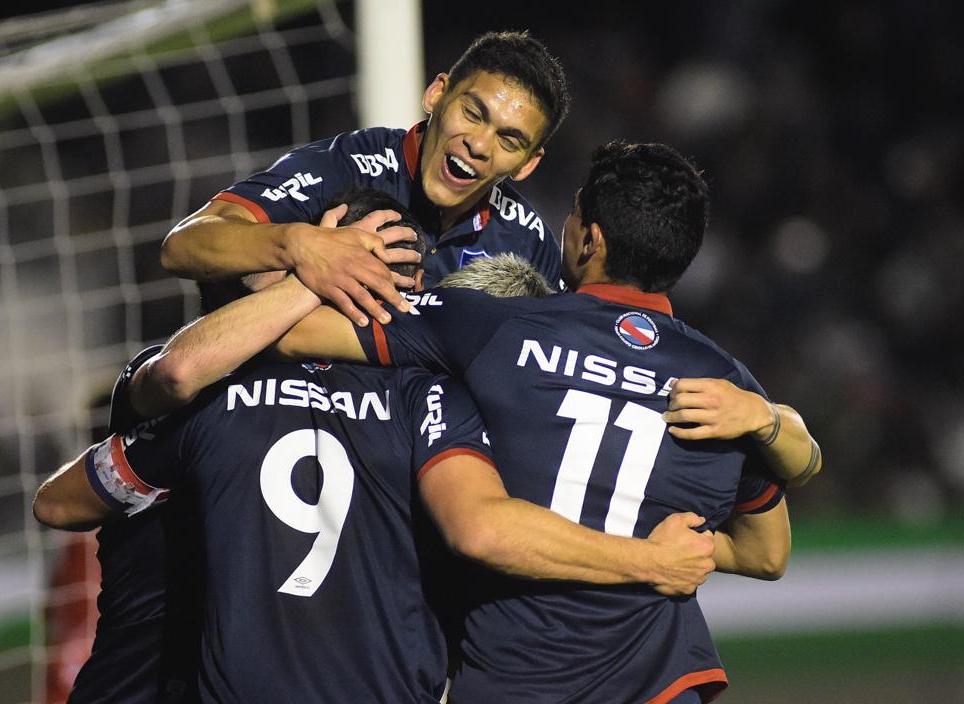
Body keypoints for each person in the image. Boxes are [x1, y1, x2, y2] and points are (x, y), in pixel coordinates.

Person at [34, 190, 717, 703]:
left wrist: (307, 271)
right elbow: (481, 528)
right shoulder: (430, 400)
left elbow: (60, 501)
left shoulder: (211, 388)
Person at [272, 142, 820, 702]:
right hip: (660, 685)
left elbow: (293, 332)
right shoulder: (725, 388)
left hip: (515, 679)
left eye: (576, 212)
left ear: (591, 239)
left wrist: (315, 248)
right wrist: (681, 547)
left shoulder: (489, 327)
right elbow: (766, 555)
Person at [159, 30, 569, 327]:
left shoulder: (527, 242)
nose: (479, 145)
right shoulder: (347, 166)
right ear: (437, 95)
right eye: (473, 113)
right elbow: (183, 245)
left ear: (527, 164)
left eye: (509, 140)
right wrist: (301, 245)